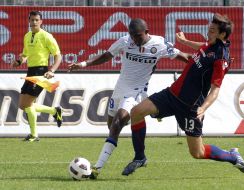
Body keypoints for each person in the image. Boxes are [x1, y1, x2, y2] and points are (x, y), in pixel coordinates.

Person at [122, 13, 244, 176]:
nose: (208, 32)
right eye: (209, 29)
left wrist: (203, 108)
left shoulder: (220, 58)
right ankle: (140, 157)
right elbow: (201, 48)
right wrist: (184, 42)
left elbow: (215, 89)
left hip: (190, 107)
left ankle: (232, 156)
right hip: (171, 94)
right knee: (137, 112)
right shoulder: (210, 44)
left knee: (198, 153)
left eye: (212, 30)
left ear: (222, 35)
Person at [68, 18, 190, 179]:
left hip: (136, 92)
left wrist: (205, 63)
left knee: (118, 122)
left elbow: (184, 57)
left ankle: (97, 168)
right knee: (111, 125)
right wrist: (83, 64)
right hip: (119, 90)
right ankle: (151, 113)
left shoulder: (159, 44)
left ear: (147, 32)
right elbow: (106, 56)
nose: (135, 39)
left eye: (138, 36)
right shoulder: (125, 41)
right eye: (132, 35)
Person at [10, 11, 63, 142]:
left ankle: (34, 135)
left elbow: (58, 55)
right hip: (30, 71)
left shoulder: (47, 36)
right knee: (23, 105)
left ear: (41, 21)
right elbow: (25, 54)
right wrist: (19, 61)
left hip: (41, 72)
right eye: (32, 20)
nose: (34, 22)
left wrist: (52, 70)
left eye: (36, 20)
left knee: (28, 104)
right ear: (29, 21)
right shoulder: (27, 36)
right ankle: (54, 111)